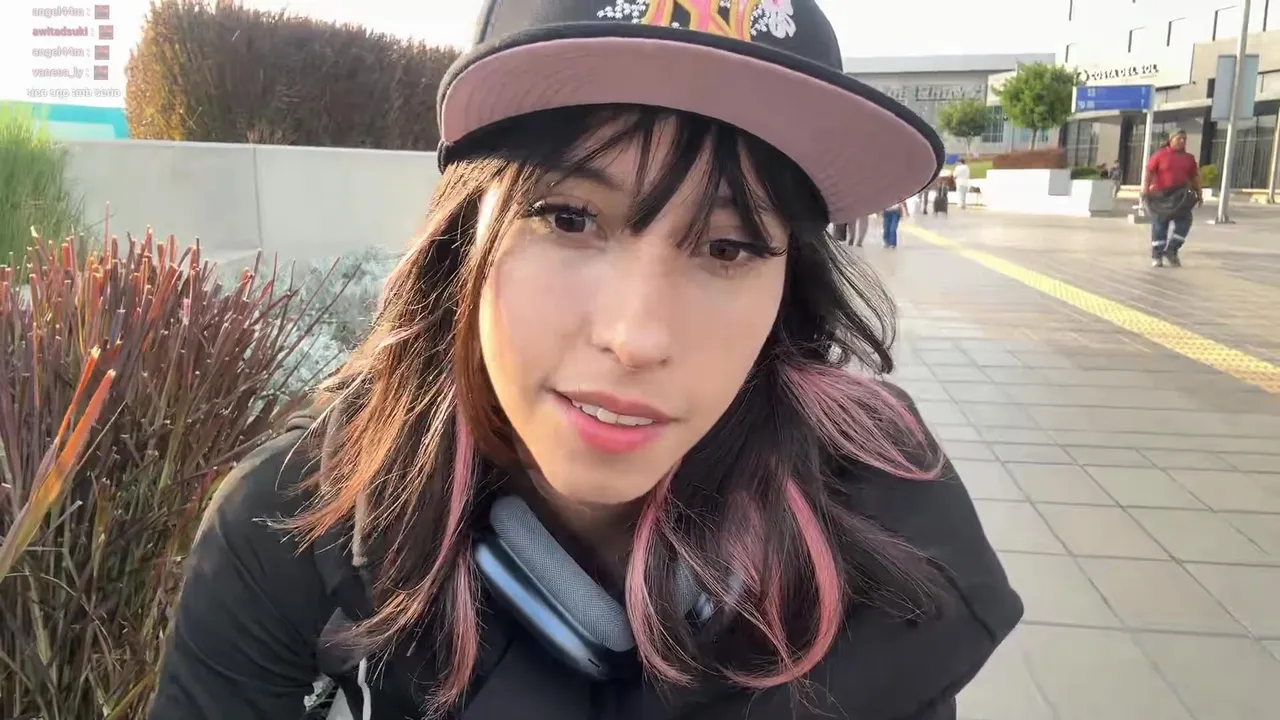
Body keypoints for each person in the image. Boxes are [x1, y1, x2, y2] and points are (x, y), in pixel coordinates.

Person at [148, 1, 1022, 719]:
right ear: (467, 234)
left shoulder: (883, 548)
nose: (636, 336)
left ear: (787, 292)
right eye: (569, 218)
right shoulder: (295, 533)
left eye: (728, 247)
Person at [1143, 129, 1202, 268]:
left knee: (1185, 222)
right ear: (1171, 140)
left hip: (1180, 196)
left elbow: (1194, 177)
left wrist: (1199, 193)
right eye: (1179, 138)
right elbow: (1149, 172)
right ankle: (1157, 255)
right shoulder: (1159, 155)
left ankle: (1172, 249)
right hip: (1160, 195)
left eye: (1184, 139)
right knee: (1160, 224)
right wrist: (1145, 190)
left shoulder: (1189, 158)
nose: (1182, 141)